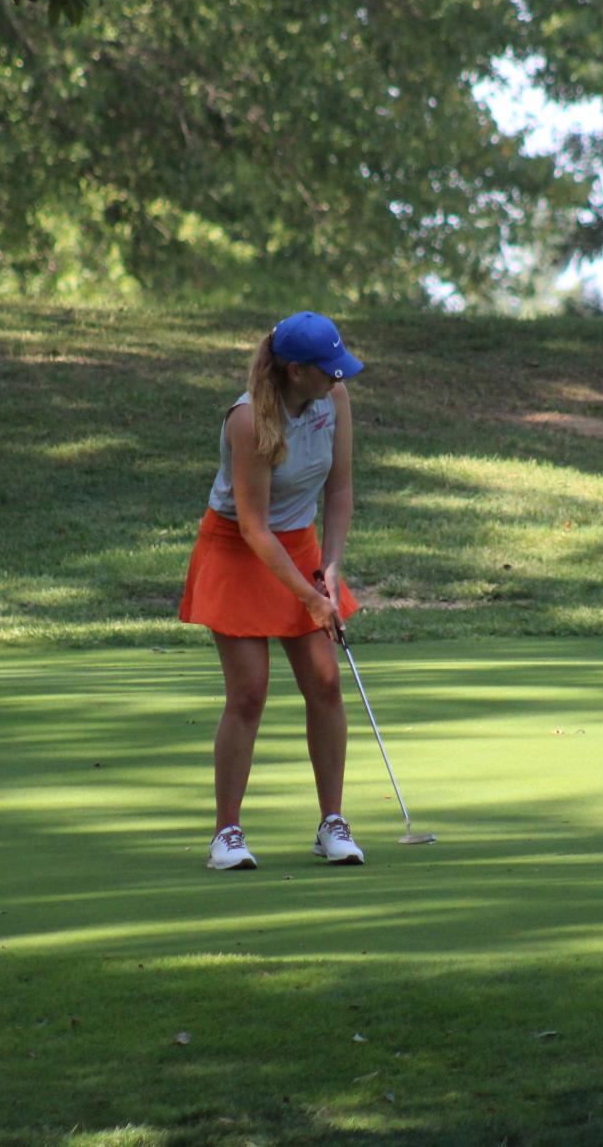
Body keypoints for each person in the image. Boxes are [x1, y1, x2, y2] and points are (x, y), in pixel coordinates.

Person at [179, 311, 366, 870]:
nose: (338, 378)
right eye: (326, 370)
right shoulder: (249, 421)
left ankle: (332, 822)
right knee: (249, 693)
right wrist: (309, 596)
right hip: (238, 549)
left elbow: (340, 486)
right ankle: (226, 834)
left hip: (300, 545)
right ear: (294, 370)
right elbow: (255, 527)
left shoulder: (335, 399)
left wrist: (330, 567)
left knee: (326, 683)